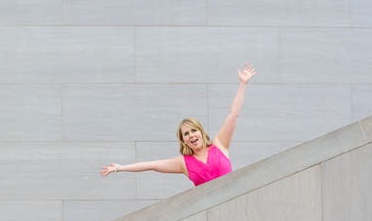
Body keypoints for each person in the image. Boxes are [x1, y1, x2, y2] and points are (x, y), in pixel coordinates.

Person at [100, 63, 257, 186]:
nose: (191, 135)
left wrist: (242, 84)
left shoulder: (220, 145)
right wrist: (120, 168)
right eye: (186, 134)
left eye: (193, 130)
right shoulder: (184, 163)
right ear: (184, 141)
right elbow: (152, 165)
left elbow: (233, 115)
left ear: (201, 132)